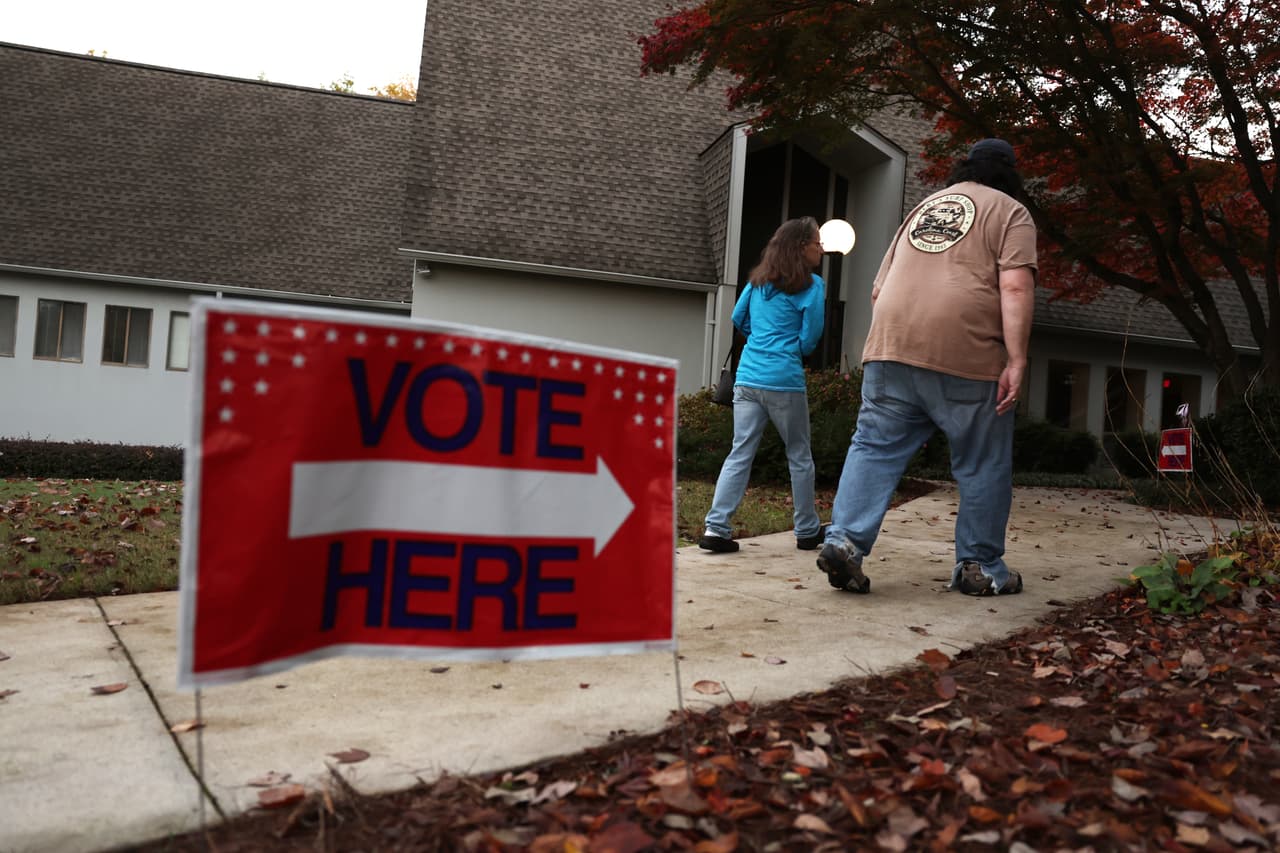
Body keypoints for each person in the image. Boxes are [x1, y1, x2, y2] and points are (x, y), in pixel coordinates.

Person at [817, 138, 1037, 596]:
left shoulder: (924, 208)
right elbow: (1015, 288)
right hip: (966, 351)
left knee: (874, 447)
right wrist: (1017, 359)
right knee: (982, 461)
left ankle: (844, 542)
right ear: (1010, 176)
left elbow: (877, 290)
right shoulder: (1011, 212)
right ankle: (979, 565)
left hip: (891, 345)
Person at [699, 216, 827, 553]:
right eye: (818, 243)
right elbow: (810, 338)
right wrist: (788, 348)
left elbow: (738, 318)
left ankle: (715, 529)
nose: (821, 249)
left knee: (740, 452)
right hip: (784, 380)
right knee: (799, 455)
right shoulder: (813, 285)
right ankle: (807, 530)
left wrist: (760, 341)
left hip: (747, 377)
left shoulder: (758, 281)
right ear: (802, 247)